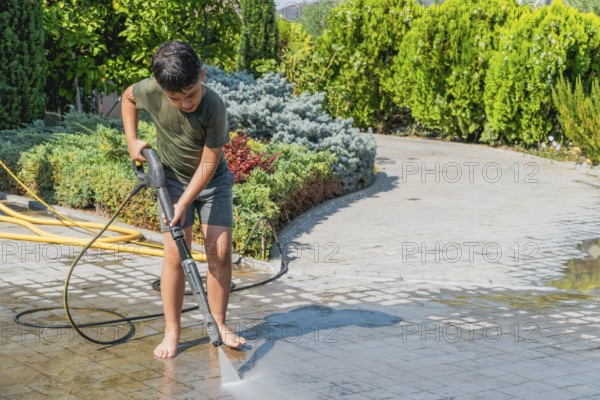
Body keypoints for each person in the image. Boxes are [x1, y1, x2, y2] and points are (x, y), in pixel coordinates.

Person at [121, 41, 246, 358]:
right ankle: (172, 330)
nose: (184, 103)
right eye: (174, 98)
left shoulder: (214, 108)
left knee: (219, 250)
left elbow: (209, 163)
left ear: (202, 75)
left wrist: (184, 202)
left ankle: (217, 324)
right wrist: (132, 141)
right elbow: (127, 97)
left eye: (190, 95)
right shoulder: (151, 89)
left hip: (212, 181)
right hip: (173, 179)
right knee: (176, 253)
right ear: (162, 89)